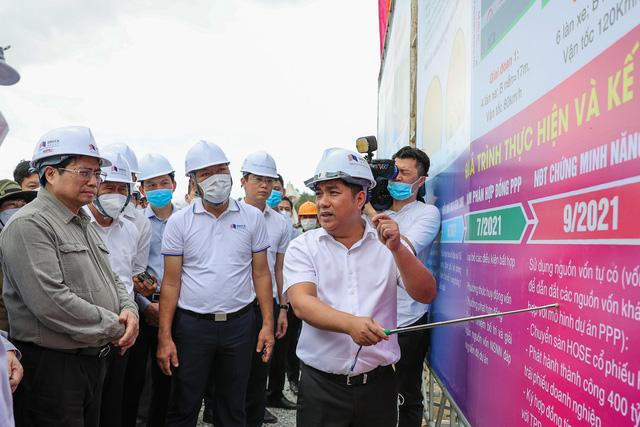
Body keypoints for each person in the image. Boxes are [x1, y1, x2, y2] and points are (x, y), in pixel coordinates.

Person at [284, 147, 437, 427]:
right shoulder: (302, 247)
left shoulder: (387, 245)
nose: (322, 203)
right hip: (321, 389)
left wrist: (398, 250)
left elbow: (425, 293)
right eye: (319, 193)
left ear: (360, 199)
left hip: (378, 389)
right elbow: (302, 304)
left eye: (333, 192)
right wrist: (351, 325)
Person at [0, 126, 139, 426]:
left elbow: (111, 276)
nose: (94, 182)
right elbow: (50, 302)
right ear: (50, 174)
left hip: (90, 362)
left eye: (96, 174)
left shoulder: (81, 221)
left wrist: (130, 309)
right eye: (84, 173)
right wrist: (115, 326)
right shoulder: (29, 225)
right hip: (53, 370)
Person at [156, 140, 275, 426]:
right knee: (184, 404)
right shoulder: (179, 222)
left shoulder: (252, 217)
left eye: (221, 169)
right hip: (192, 327)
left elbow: (261, 273)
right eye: (206, 173)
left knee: (233, 407)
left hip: (240, 325)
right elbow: (171, 283)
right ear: (194, 182)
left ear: (231, 173)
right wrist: (165, 336)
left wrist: (267, 324)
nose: (216, 178)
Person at [372, 146, 440, 427]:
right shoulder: (376, 210)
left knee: (405, 396)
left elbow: (402, 249)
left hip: (408, 321)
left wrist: (368, 211)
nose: (396, 178)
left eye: (404, 173)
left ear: (420, 181)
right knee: (372, 394)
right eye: (393, 171)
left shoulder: (427, 214)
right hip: (372, 317)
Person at [84, 152, 140, 427]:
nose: (116, 195)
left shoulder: (131, 230)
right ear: (96, 186)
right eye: (109, 188)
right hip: (86, 333)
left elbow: (129, 278)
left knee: (113, 401)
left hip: (122, 331)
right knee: (86, 406)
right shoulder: (79, 223)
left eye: (122, 189)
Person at [237, 151, 292, 426]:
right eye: (258, 179)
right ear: (243, 181)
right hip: (235, 306)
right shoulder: (230, 215)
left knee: (260, 371)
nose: (264, 185)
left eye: (269, 180)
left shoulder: (281, 222)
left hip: (265, 306)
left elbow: (279, 268)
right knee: (233, 374)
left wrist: (283, 308)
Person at [123, 153, 177, 427]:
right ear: (142, 189)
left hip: (179, 309)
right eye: (151, 185)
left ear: (174, 184)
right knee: (137, 380)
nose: (158, 189)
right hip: (144, 308)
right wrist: (146, 307)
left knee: (170, 378)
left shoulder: (188, 220)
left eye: (163, 183)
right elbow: (129, 270)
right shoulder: (134, 223)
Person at [0, 180, 37, 330]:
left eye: (23, 205)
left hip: (33, 331)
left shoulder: (35, 239)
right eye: (12, 205)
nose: (19, 209)